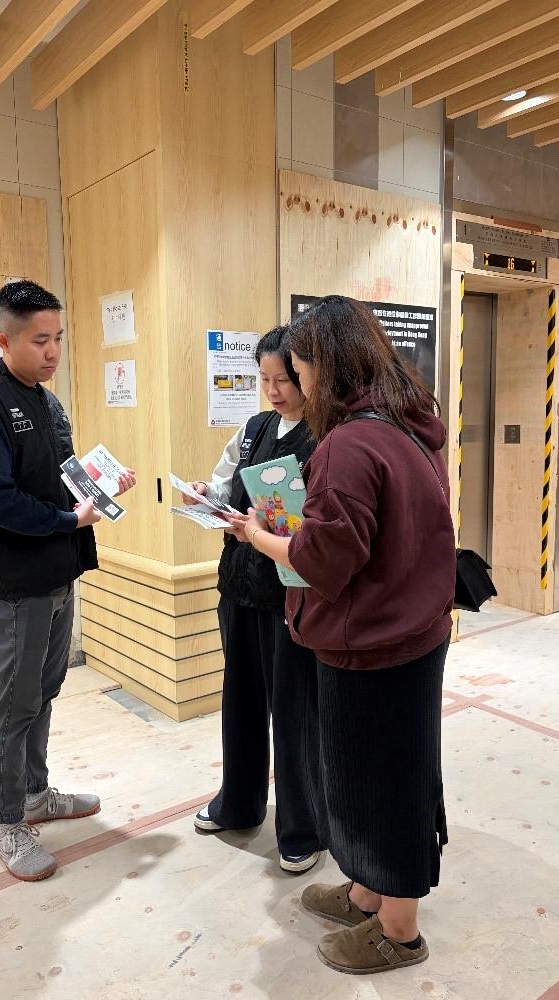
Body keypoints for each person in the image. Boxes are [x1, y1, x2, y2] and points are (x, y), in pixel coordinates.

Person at [228, 296, 456, 974]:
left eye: (298, 369)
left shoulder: (351, 444)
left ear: (328, 367)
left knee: (383, 786)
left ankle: (399, 932)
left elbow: (323, 561)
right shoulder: (410, 425)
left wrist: (259, 534)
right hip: (405, 632)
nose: (293, 384)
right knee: (367, 779)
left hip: (373, 644)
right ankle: (365, 891)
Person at [0, 280, 135, 882]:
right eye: (39, 340)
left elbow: (61, 477)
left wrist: (101, 486)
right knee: (13, 703)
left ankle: (35, 792)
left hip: (58, 572)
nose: (53, 351)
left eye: (58, 337)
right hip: (14, 585)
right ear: (4, 339)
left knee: (44, 689)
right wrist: (66, 518)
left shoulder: (47, 402)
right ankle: (8, 823)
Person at [184, 326, 325, 874]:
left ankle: (302, 826)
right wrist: (204, 496)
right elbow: (225, 488)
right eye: (263, 379)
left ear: (307, 375)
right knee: (240, 699)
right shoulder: (252, 430)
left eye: (283, 379)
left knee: (293, 712)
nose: (273, 389)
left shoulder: (325, 436)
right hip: (240, 586)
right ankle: (238, 804)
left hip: (290, 596)